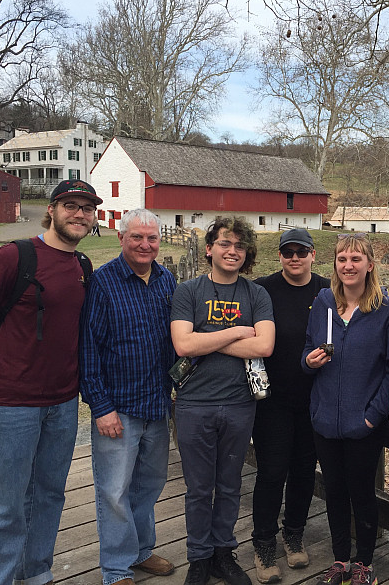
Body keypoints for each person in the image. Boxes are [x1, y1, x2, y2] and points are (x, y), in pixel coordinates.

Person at [0, 179, 101, 585]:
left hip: (63, 403)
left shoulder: (81, 267)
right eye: (71, 205)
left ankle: (36, 573)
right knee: (8, 504)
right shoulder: (13, 257)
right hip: (11, 401)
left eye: (87, 208)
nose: (80, 214)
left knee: (50, 495)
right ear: (51, 209)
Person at [171, 216, 275, 585]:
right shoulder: (188, 292)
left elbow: (264, 345)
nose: (232, 251)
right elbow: (183, 344)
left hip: (238, 404)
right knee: (199, 487)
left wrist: (208, 337)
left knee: (230, 484)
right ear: (210, 248)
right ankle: (199, 557)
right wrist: (234, 332)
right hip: (194, 404)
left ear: (247, 253)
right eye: (225, 244)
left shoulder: (256, 295)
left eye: (240, 246)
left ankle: (223, 552)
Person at [79, 209, 178, 585]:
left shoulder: (167, 280)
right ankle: (116, 567)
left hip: (157, 403)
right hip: (118, 407)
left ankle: (141, 551)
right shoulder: (103, 283)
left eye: (151, 238)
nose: (145, 245)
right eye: (137, 237)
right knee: (114, 491)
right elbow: (88, 348)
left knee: (148, 486)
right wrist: (101, 408)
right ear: (121, 238)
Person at [302, 233, 389, 585]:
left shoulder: (386, 310)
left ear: (369, 265)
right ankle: (341, 559)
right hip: (325, 420)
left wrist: (373, 414)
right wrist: (308, 362)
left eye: (356, 259)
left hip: (363, 423)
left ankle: (365, 563)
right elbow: (308, 349)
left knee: (362, 493)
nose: (348, 265)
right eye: (342, 259)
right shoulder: (324, 302)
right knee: (335, 491)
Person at [251, 229, 330, 584]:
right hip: (273, 400)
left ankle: (293, 533)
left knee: (303, 472)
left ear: (313, 254)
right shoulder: (263, 289)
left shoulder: (328, 290)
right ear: (279, 256)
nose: (294, 258)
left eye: (301, 251)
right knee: (271, 472)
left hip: (314, 398)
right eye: (287, 252)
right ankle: (263, 543)